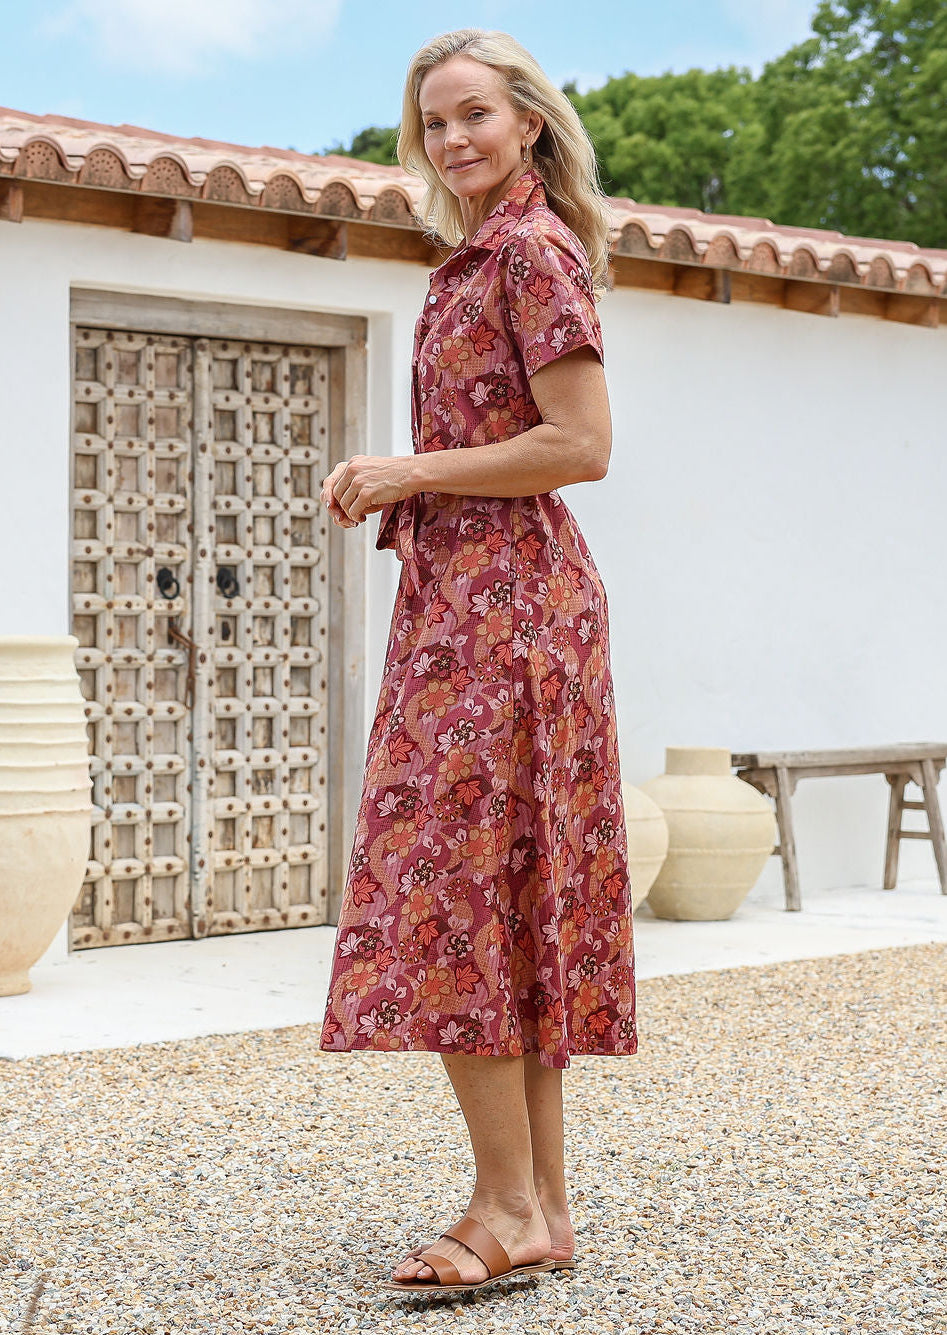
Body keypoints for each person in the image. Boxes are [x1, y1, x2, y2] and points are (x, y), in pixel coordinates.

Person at [318, 27, 638, 1295]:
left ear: (529, 126)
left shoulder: (530, 253)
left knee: (448, 891)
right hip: (473, 599)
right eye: (434, 121)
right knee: (498, 896)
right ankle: (538, 1207)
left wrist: (410, 468)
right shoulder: (473, 261)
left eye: (474, 117)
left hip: (507, 611)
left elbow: (581, 443)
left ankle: (499, 1203)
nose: (453, 140)